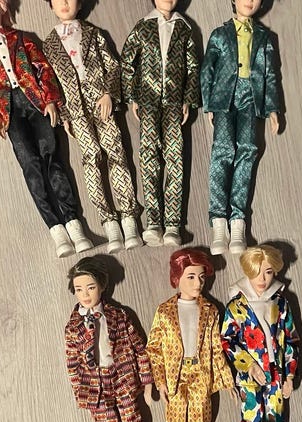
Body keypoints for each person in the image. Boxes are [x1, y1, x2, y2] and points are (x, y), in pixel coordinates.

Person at [0, 0, 92, 258]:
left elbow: (43, 68)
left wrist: (51, 99)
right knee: (30, 166)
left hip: (36, 103)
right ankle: (55, 228)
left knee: (53, 158)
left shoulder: (23, 39)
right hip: (10, 112)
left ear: (2, 6)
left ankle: (73, 223)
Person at [42, 0, 143, 253]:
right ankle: (109, 221)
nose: (65, 3)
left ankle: (129, 218)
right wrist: (65, 114)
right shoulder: (49, 44)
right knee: (91, 159)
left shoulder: (94, 34)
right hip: (75, 109)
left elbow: (114, 67)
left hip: (101, 103)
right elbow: (52, 83)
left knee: (117, 154)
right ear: (51, 5)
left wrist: (109, 93)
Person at [147, 248, 235, 422]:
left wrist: (227, 380)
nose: (198, 283)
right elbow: (154, 348)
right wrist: (160, 381)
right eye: (191, 277)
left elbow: (216, 348)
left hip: (200, 376)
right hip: (175, 379)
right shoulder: (164, 312)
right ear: (177, 277)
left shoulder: (210, 311)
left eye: (202, 277)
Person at [201, 0, 280, 255]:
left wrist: (272, 109)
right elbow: (207, 70)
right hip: (224, 98)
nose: (249, 1)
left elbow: (270, 74)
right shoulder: (219, 34)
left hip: (251, 98)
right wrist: (208, 104)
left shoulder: (264, 38)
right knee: (222, 151)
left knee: (247, 151)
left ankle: (237, 222)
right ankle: (218, 222)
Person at [65, 256, 152, 422]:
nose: (85, 294)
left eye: (90, 287)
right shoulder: (73, 327)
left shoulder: (118, 316)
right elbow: (72, 364)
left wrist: (147, 382)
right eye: (79, 289)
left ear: (102, 286)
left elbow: (139, 348)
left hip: (123, 380)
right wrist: (81, 394)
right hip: (96, 390)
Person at [121, 0, 200, 247]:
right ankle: (154, 221)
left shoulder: (184, 28)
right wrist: (132, 96)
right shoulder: (143, 27)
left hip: (175, 102)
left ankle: (173, 224)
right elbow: (127, 62)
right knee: (148, 158)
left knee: (175, 158)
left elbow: (193, 67)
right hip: (148, 100)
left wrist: (188, 99)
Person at [221, 244, 299, 422]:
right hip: (249, 379)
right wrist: (248, 364)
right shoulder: (236, 306)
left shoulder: (280, 303)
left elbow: (292, 339)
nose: (262, 279)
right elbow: (227, 341)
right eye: (257, 272)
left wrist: (289, 375)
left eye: (268, 272)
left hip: (276, 376)